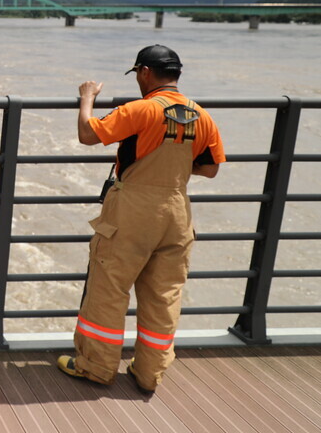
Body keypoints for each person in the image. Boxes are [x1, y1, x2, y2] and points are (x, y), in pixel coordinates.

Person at [57, 44, 226, 395]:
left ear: (145, 73)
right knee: (164, 294)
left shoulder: (141, 109)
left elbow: (89, 134)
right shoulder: (201, 115)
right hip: (177, 212)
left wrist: (86, 97)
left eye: (137, 74)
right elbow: (210, 169)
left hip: (134, 210)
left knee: (109, 288)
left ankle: (95, 367)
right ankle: (149, 372)